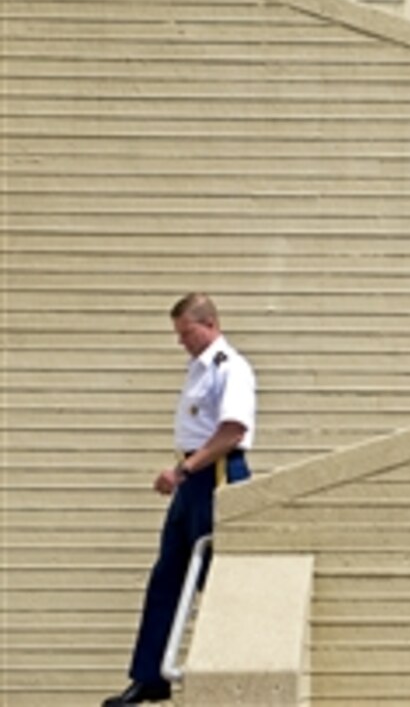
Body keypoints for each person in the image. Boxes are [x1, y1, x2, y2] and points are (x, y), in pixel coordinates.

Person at [103, 293, 257, 706]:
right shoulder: (198, 369)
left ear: (209, 325)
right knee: (168, 573)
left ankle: (238, 671)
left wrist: (187, 470)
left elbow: (233, 430)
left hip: (216, 475)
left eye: (186, 332)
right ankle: (150, 676)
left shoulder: (231, 368)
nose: (181, 341)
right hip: (191, 477)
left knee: (217, 579)